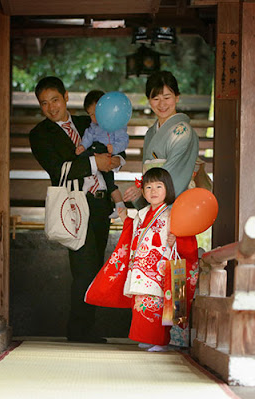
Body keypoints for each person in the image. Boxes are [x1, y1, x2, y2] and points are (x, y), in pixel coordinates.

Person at [29, 76, 121, 344]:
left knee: (95, 268)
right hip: (74, 207)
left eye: (55, 100)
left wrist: (114, 160)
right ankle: (79, 330)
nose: (51, 107)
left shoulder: (86, 123)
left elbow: (109, 149)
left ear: (66, 97)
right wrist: (95, 163)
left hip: (100, 204)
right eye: (44, 103)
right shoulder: (39, 134)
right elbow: (58, 170)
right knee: (83, 269)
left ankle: (86, 327)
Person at [120, 168, 198, 351]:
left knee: (161, 303)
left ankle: (162, 341)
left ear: (167, 189)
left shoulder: (174, 213)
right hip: (143, 269)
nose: (153, 191)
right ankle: (149, 338)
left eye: (158, 186)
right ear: (143, 192)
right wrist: (124, 218)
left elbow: (188, 236)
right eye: (148, 187)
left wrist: (177, 239)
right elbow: (133, 234)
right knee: (143, 304)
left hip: (163, 268)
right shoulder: (142, 214)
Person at [122, 70, 199, 207]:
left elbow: (173, 173)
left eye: (167, 97)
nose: (162, 104)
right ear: (149, 101)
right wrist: (144, 189)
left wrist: (144, 189)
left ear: (177, 97)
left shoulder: (183, 132)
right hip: (153, 203)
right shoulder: (151, 133)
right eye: (156, 99)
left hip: (174, 205)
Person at [76, 90, 129, 219]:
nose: (94, 118)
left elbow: (124, 141)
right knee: (83, 157)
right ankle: (88, 181)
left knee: (110, 183)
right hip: (94, 150)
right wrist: (82, 146)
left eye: (96, 114)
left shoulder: (116, 125)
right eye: (90, 115)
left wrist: (114, 149)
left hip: (107, 152)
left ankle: (120, 205)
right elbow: (88, 136)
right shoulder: (93, 126)